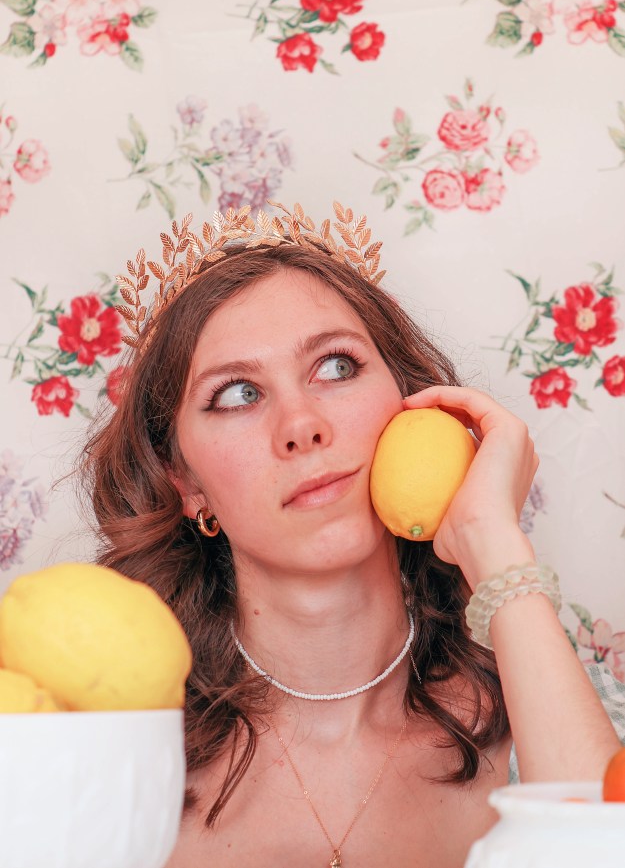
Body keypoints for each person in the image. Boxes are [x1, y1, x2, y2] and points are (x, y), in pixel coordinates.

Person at [83, 203, 623, 868]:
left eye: (335, 367)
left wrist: (492, 544)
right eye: (237, 393)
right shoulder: (103, 747)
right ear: (184, 481)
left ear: (410, 406)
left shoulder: (548, 701)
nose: (301, 423)